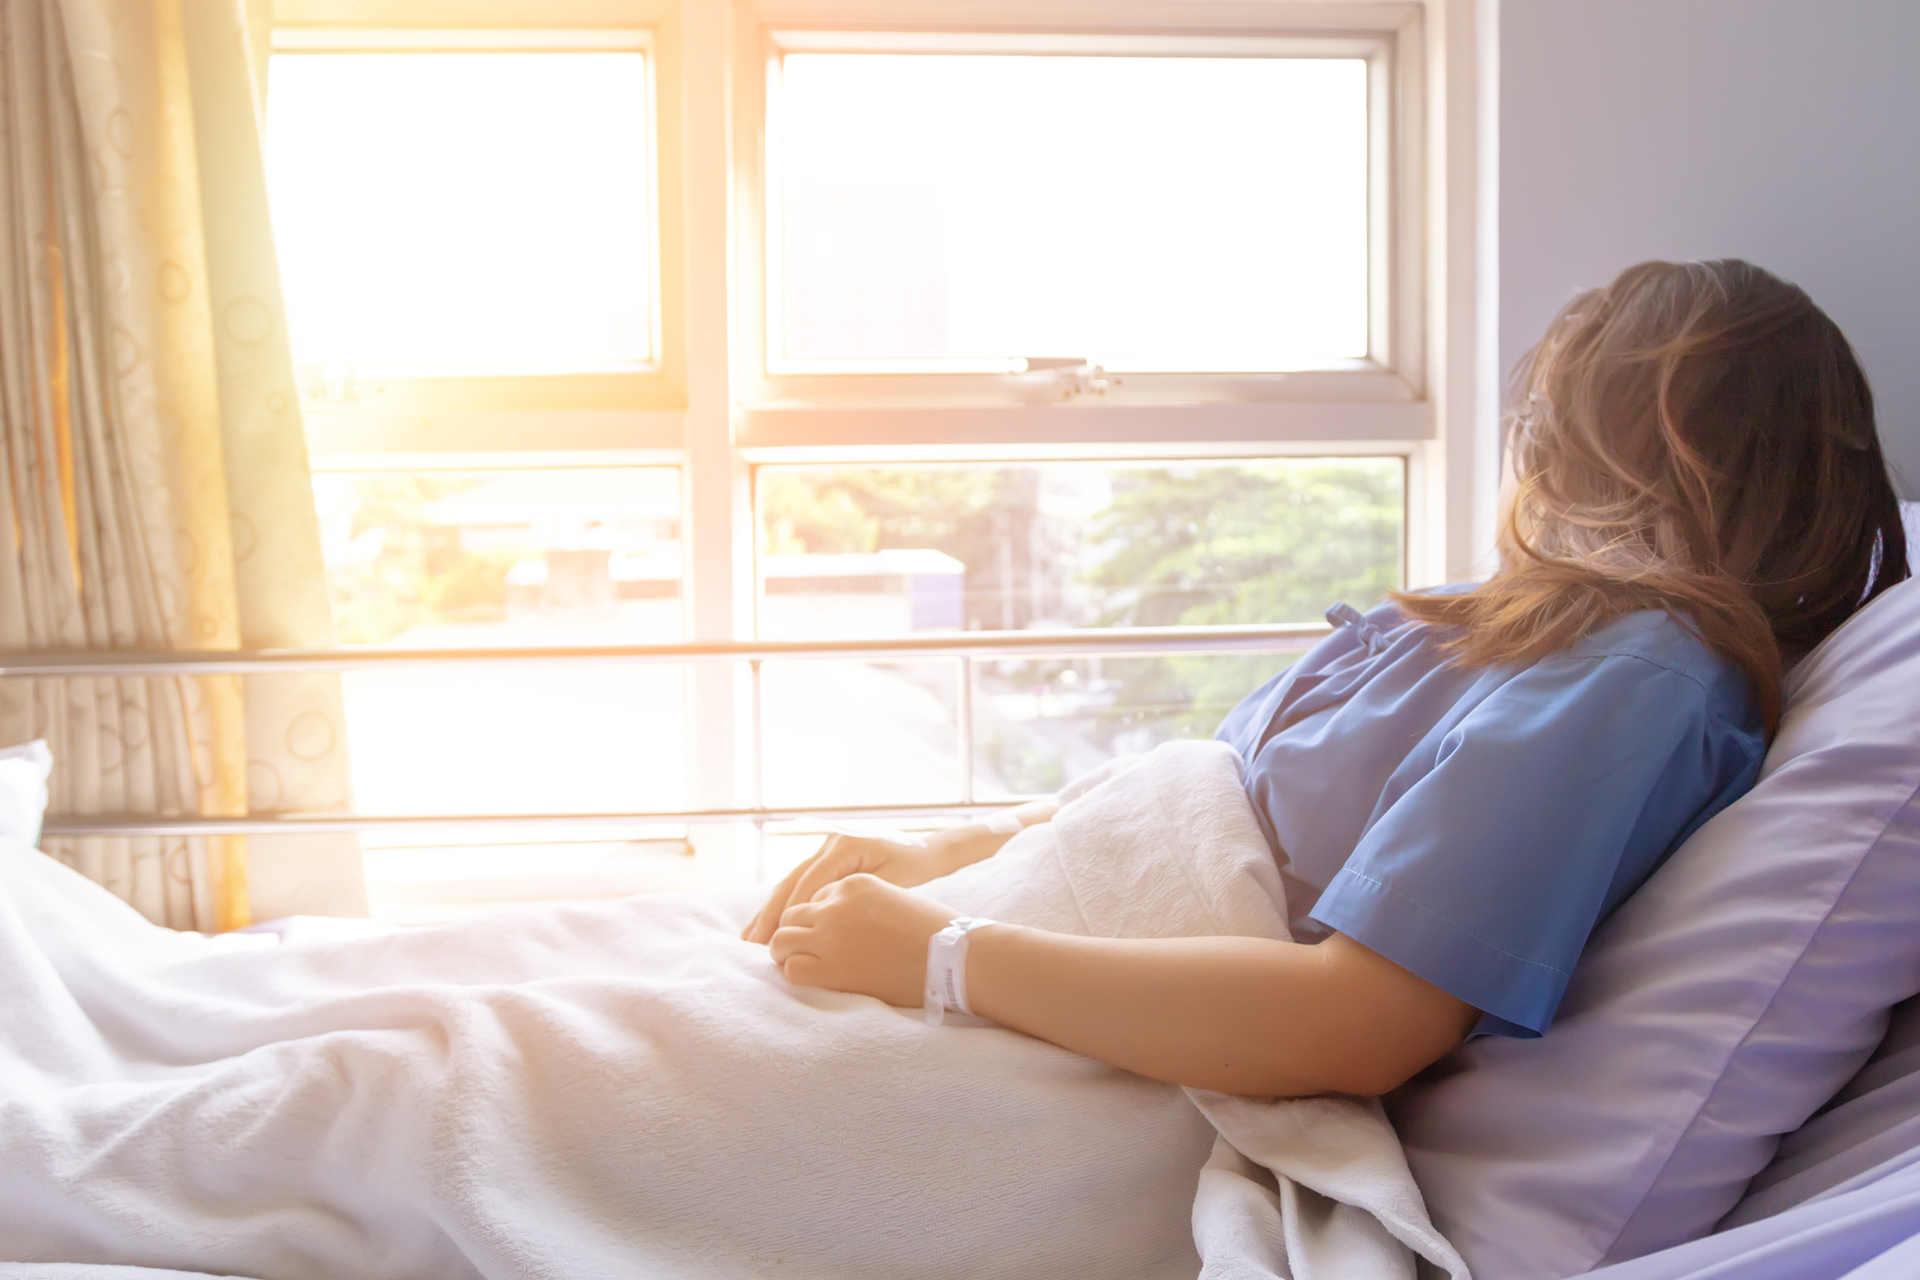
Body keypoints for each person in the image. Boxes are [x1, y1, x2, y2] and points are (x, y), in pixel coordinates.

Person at [743, 259, 1911, 1099]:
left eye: (1558, 418)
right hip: (1024, 933)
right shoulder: (1549, 627)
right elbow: (1209, 790)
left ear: (1650, 451)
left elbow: (1360, 1023)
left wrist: (943, 953)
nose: (1535, 449)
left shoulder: (1639, 674)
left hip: (1067, 1012)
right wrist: (941, 852)